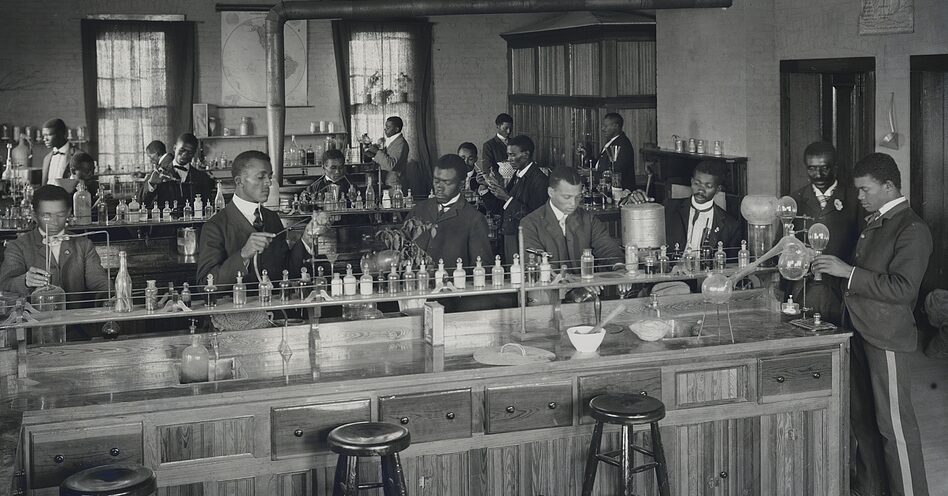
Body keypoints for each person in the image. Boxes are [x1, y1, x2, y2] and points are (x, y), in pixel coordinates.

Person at [812, 153, 931, 496]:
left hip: (886, 338)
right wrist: (828, 271)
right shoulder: (875, 221)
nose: (859, 197)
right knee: (863, 422)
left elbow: (902, 289)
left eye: (865, 190)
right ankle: (869, 489)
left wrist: (846, 272)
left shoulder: (912, 228)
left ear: (889, 186)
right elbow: (859, 285)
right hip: (859, 331)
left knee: (894, 427)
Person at [196, 150, 313, 286]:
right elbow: (204, 284)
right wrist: (243, 255)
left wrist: (307, 238)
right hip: (241, 305)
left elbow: (286, 270)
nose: (269, 183)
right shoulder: (215, 226)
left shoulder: (271, 217)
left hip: (274, 305)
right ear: (239, 182)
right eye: (260, 177)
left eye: (269, 177)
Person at [788, 142, 860, 325]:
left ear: (835, 167)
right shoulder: (794, 200)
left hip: (841, 289)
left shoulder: (855, 198)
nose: (818, 175)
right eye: (811, 169)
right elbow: (783, 245)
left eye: (824, 168)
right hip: (804, 288)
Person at [0, 185, 109, 306]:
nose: (54, 222)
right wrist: (25, 281)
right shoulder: (18, 247)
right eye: (47, 215)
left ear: (69, 212)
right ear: (34, 215)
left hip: (76, 320)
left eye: (60, 215)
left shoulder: (83, 245)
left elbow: (99, 282)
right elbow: (5, 284)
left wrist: (107, 298)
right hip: (35, 321)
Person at [521, 166, 623, 269]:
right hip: (552, 284)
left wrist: (619, 266)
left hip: (586, 283)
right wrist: (564, 279)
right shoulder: (530, 224)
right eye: (567, 197)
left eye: (578, 197)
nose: (573, 203)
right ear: (551, 192)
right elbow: (534, 263)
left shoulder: (589, 219)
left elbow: (608, 249)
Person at [407, 154, 492, 267]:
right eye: (436, 181)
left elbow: (482, 269)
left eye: (446, 183)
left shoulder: (474, 220)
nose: (439, 187)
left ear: (461, 185)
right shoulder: (418, 210)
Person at [485, 135, 550, 262]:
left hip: (525, 239)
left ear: (526, 155)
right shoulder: (518, 173)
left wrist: (507, 198)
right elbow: (502, 205)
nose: (509, 159)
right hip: (511, 234)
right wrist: (486, 188)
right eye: (508, 155)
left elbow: (536, 217)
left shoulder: (539, 180)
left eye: (512, 155)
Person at [663, 160, 741, 258]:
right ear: (691, 182)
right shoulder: (669, 208)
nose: (700, 190)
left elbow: (731, 265)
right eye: (697, 183)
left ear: (718, 189)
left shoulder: (730, 225)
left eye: (708, 186)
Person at [141, 133, 215, 213]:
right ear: (174, 147)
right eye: (182, 150)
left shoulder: (202, 178)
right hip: (167, 224)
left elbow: (207, 208)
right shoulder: (158, 174)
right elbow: (143, 204)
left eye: (190, 152)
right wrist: (151, 185)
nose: (184, 155)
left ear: (194, 154)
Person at [366, 116, 430, 197]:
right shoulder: (393, 141)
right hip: (389, 184)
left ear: (396, 129)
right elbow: (386, 159)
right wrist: (373, 155)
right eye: (385, 126)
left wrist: (377, 152)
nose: (385, 129)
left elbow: (391, 165)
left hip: (395, 186)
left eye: (388, 127)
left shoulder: (401, 143)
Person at [595, 113, 637, 193]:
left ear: (615, 126)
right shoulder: (613, 141)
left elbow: (617, 171)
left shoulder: (623, 145)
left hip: (620, 192)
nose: (603, 129)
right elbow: (602, 163)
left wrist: (592, 173)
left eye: (606, 126)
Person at [41, 118, 77, 185]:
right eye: (44, 135)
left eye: (48, 135)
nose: (44, 139)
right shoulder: (46, 159)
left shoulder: (77, 155)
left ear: (60, 134)